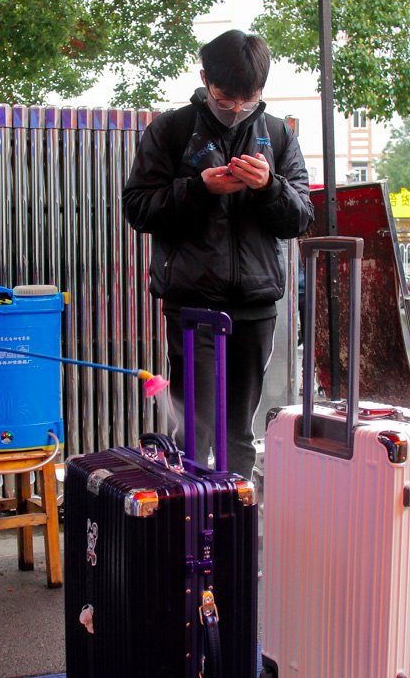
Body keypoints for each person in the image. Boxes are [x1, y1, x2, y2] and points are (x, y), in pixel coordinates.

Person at [122, 29, 313, 478]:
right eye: (226, 99)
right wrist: (199, 189)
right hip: (192, 305)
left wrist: (269, 187)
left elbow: (301, 217)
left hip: (257, 304)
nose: (235, 110)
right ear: (205, 79)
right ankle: (190, 525)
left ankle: (234, 521)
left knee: (239, 431)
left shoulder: (277, 136)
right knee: (196, 427)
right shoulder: (170, 131)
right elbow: (138, 208)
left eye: (247, 100)